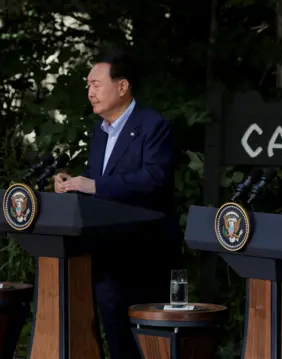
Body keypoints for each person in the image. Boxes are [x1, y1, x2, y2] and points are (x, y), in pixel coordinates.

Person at [54, 49, 181, 359]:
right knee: (118, 344)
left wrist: (94, 184)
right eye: (87, 85)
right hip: (107, 256)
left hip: (146, 256)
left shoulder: (153, 125)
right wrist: (72, 184)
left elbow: (154, 179)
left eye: (96, 84)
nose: (90, 92)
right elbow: (102, 182)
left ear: (122, 87)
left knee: (151, 346)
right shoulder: (99, 132)